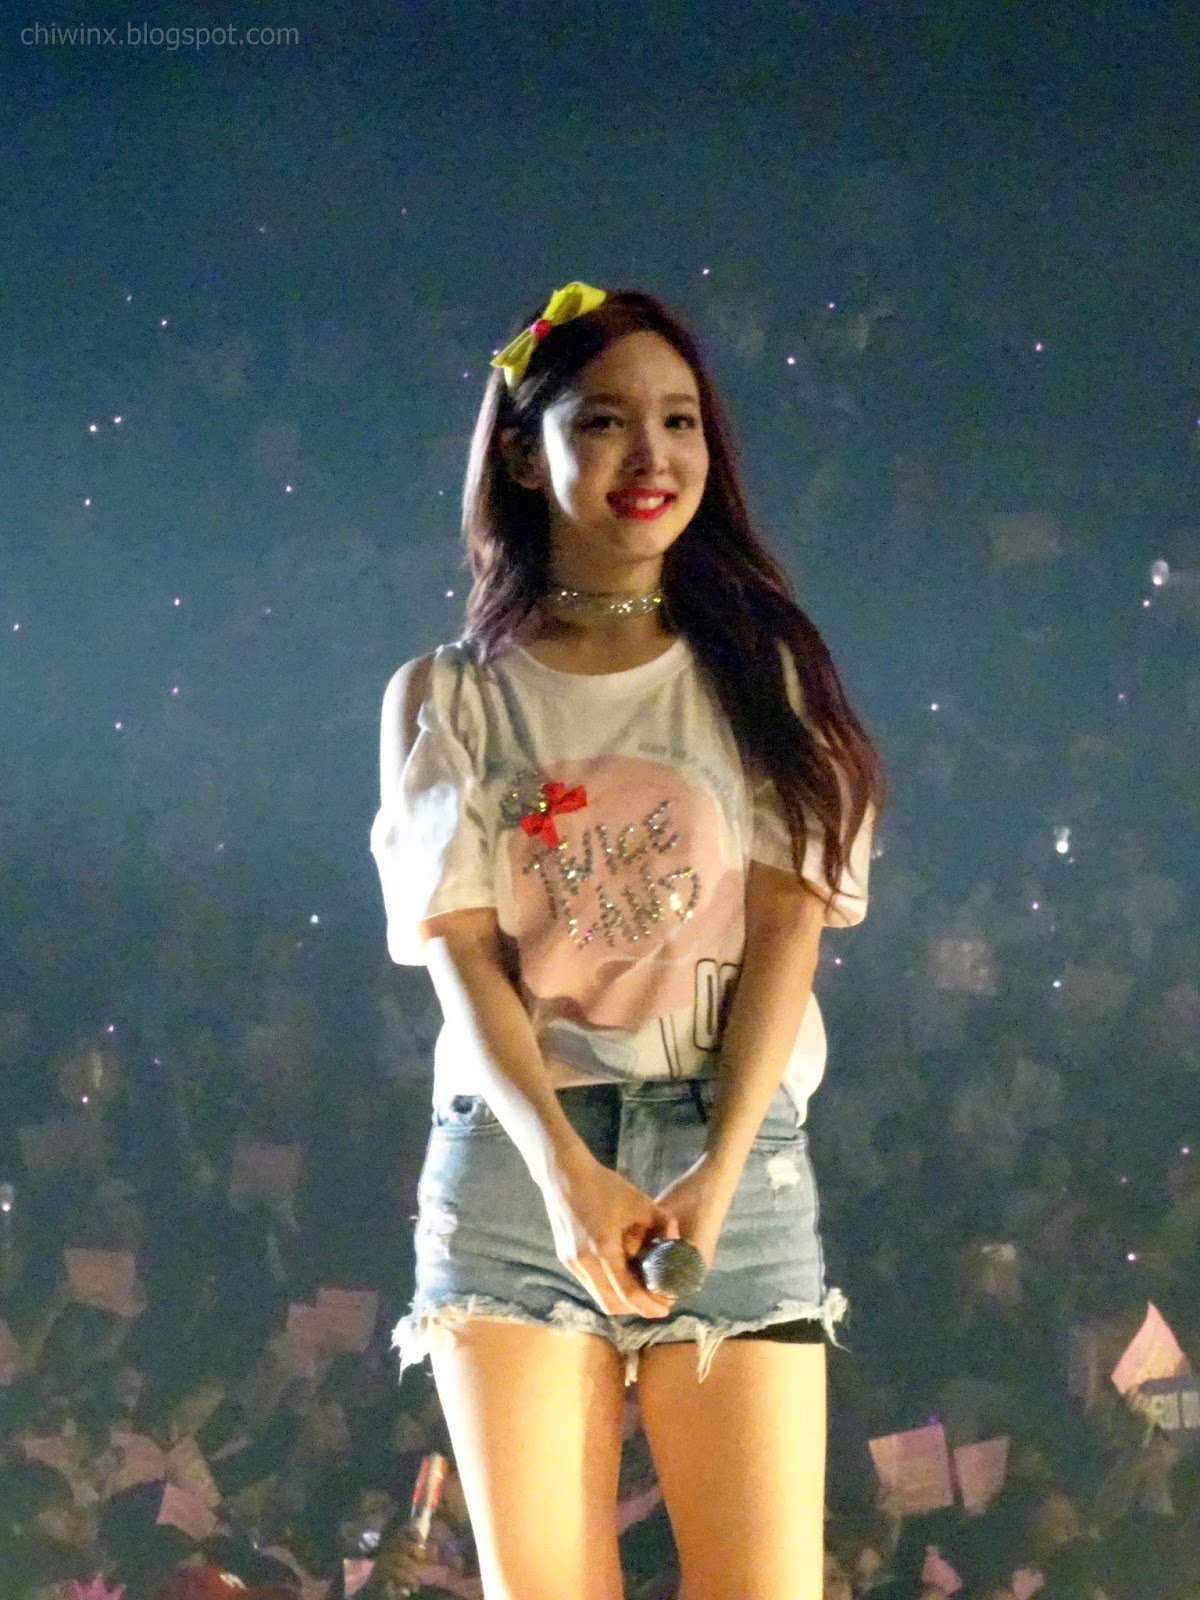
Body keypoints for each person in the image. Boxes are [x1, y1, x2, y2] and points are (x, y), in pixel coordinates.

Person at [369, 280, 888, 1599]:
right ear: (521, 453)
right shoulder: (452, 695)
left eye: (679, 421)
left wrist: (717, 1170)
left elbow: (787, 937)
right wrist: (564, 1174)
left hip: (733, 1158)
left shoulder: (764, 674)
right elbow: (461, 958)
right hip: (517, 1162)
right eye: (603, 420)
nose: (650, 455)